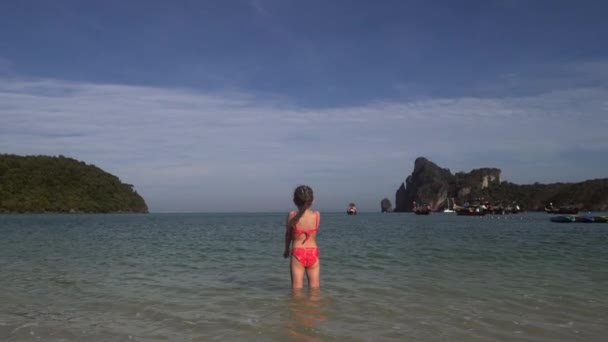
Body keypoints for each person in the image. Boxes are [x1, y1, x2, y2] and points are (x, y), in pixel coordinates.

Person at [283, 185, 320, 289]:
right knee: (315, 288)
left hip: (298, 253)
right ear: (312, 200)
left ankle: (296, 305)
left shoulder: (292, 215)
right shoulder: (317, 215)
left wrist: (286, 250)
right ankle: (314, 305)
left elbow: (288, 235)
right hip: (313, 252)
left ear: (294, 200)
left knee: (296, 289)